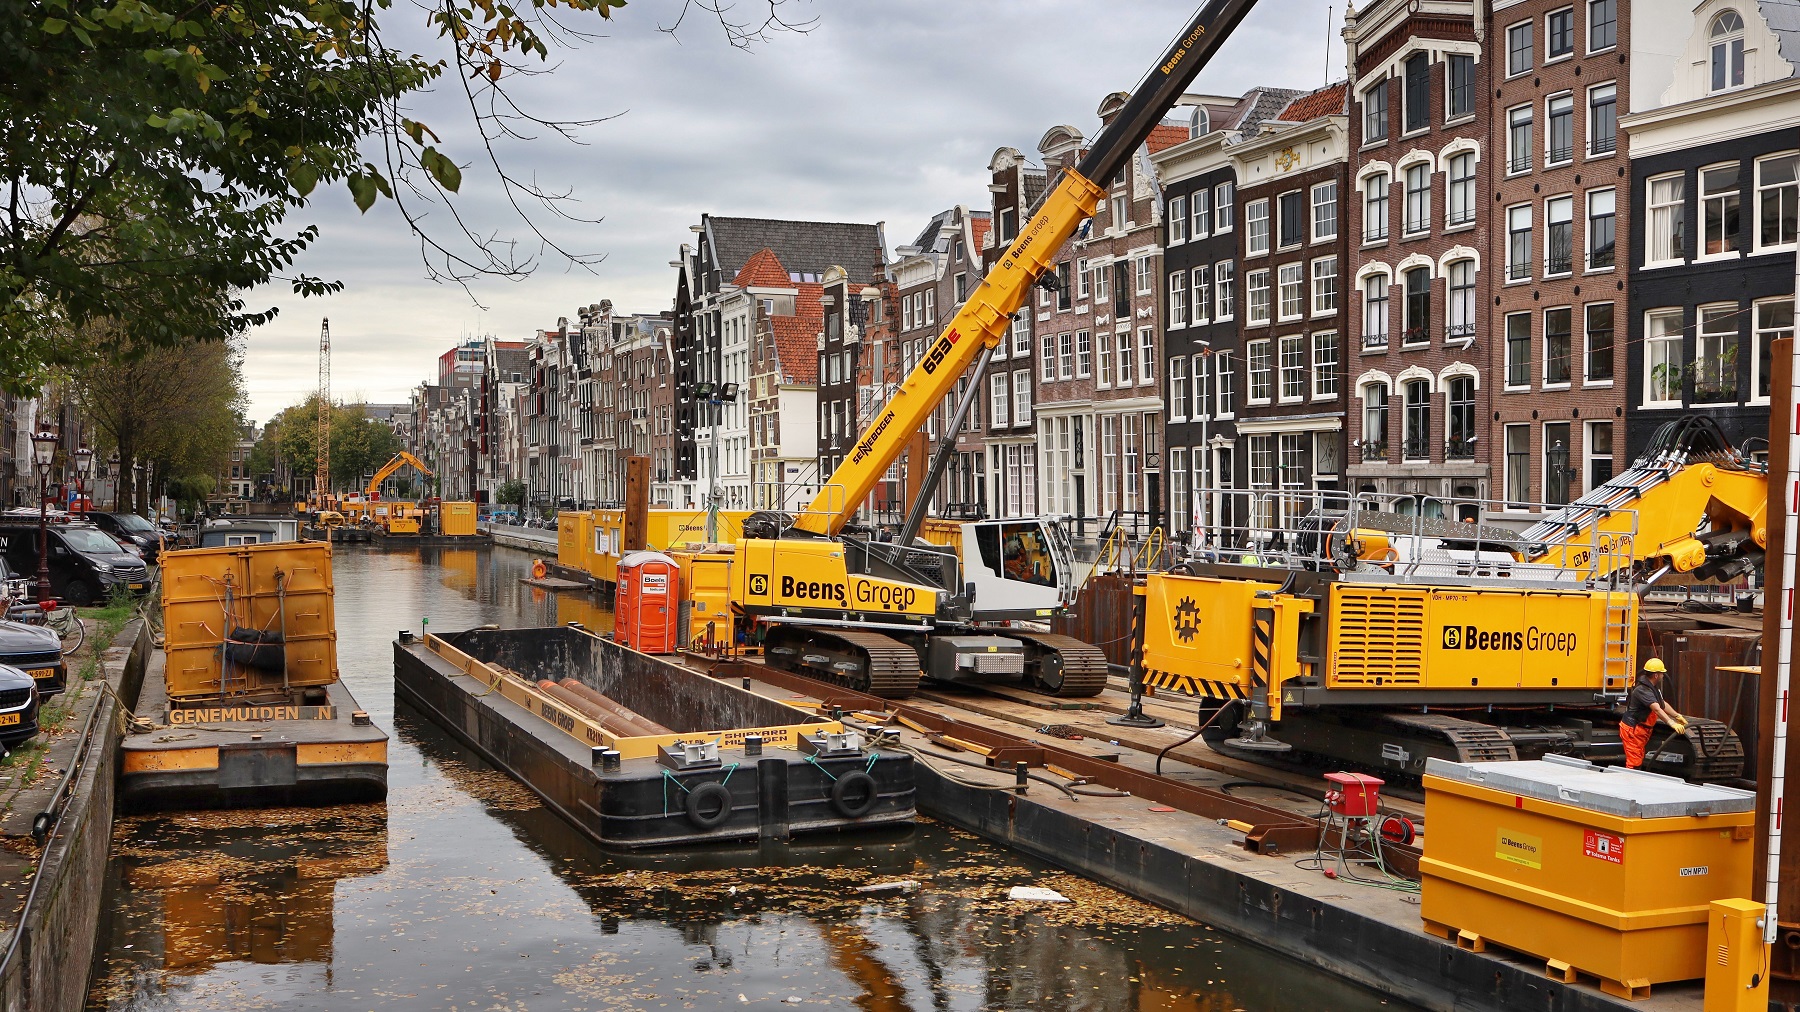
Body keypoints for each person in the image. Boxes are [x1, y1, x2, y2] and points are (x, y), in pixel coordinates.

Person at [1620, 658, 1687, 769]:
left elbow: (1662, 704)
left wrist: (1677, 715)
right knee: (1634, 763)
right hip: (1632, 731)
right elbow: (1656, 709)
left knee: (1638, 759)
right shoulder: (1642, 690)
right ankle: (1631, 783)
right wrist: (1671, 723)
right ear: (1656, 675)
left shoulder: (1653, 688)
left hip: (1640, 730)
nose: (1663, 676)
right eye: (1662, 673)